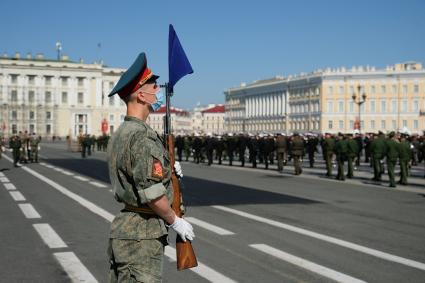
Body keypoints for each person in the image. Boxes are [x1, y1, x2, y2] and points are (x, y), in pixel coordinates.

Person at [106, 53, 194, 283]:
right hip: (141, 238)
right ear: (141, 94)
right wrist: (175, 220)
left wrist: (168, 169)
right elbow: (153, 194)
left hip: (128, 232)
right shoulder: (142, 138)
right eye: (154, 86)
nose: (158, 91)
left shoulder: (121, 133)